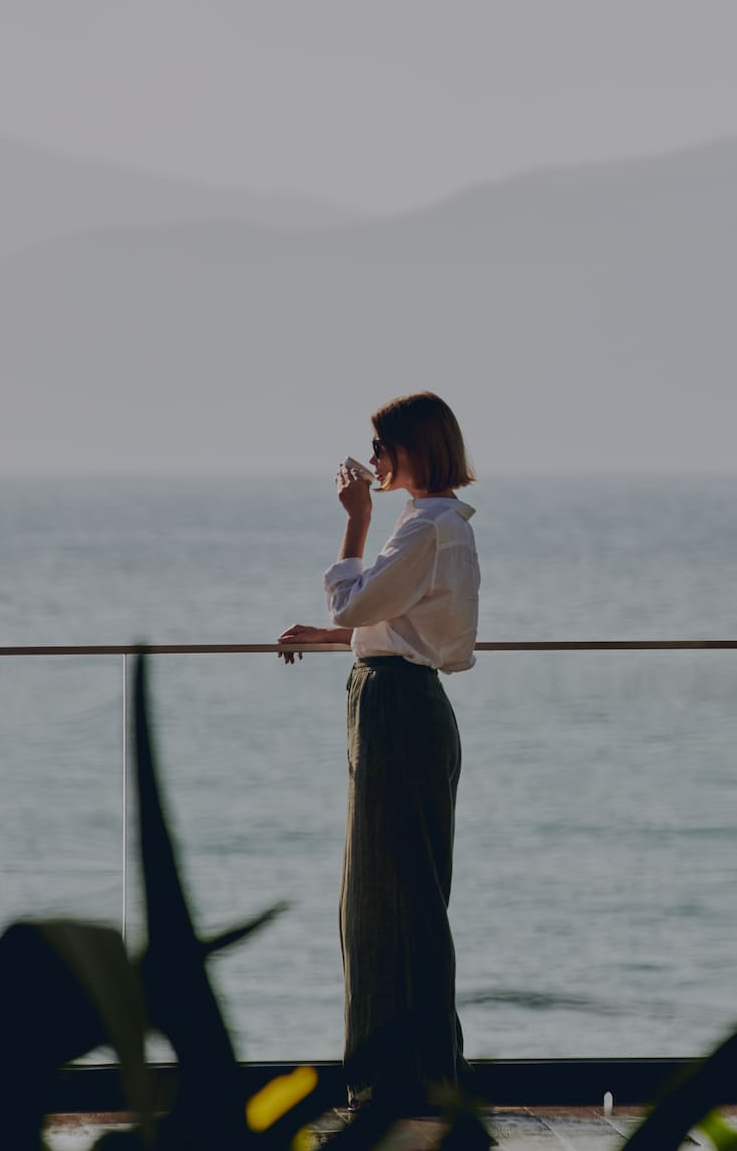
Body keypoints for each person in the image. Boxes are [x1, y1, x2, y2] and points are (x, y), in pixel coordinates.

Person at [276, 391, 480, 1112]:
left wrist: (355, 520)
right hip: (412, 705)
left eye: (380, 447)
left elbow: (353, 604)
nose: (371, 460)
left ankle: (396, 1080)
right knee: (408, 892)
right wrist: (339, 638)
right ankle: (421, 1072)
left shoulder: (425, 528)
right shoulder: (443, 526)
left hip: (395, 709)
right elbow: (414, 626)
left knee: (384, 897)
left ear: (414, 449)